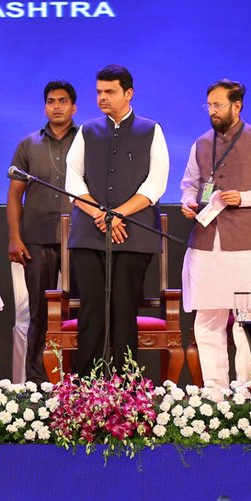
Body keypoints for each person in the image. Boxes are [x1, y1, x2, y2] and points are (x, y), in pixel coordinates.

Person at [178, 79, 251, 388]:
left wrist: (244, 197)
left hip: (247, 248)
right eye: (209, 105)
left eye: (218, 105)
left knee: (246, 322)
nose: (212, 111)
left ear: (237, 106)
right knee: (207, 321)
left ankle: (246, 392)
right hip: (205, 245)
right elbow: (189, 185)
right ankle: (215, 393)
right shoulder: (201, 143)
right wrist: (188, 202)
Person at [62, 66, 168, 373]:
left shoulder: (151, 130)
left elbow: (155, 183)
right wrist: (99, 213)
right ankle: (86, 384)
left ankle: (126, 385)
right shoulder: (87, 130)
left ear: (128, 93)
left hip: (133, 235)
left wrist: (119, 214)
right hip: (90, 234)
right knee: (91, 309)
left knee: (123, 308)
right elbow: (73, 179)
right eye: (99, 92)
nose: (102, 98)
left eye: (109, 92)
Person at [7, 80, 79, 383]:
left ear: (74, 107)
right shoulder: (28, 144)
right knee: (39, 311)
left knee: (81, 311)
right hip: (36, 239)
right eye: (51, 101)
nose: (57, 106)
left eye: (63, 101)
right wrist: (15, 237)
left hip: (80, 239)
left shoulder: (86, 142)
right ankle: (37, 382)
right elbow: (14, 195)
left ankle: (80, 380)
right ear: (45, 106)